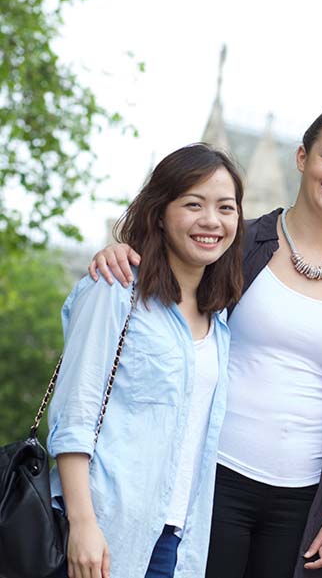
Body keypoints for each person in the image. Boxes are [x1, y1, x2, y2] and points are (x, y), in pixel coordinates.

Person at [87, 104, 322, 578]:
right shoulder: (239, 242)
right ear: (302, 157)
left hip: (307, 494)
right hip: (214, 478)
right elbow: (166, 271)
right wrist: (118, 250)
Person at [48, 143, 244, 578]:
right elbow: (74, 415)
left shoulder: (219, 317)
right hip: (105, 534)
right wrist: (82, 525)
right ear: (160, 213)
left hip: (178, 541)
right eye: (193, 204)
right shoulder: (115, 290)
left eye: (225, 207)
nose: (211, 220)